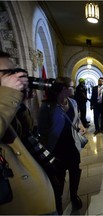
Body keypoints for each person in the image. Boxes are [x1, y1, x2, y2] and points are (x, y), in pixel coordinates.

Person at [0, 51, 57, 214]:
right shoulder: (4, 101)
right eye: (8, 73)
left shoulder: (5, 105)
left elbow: (24, 132)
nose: (15, 77)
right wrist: (9, 95)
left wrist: (19, 103)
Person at [38, 76, 86, 215]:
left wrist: (81, 126)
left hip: (73, 145)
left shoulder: (73, 102)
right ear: (63, 89)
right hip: (56, 149)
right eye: (71, 86)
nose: (73, 87)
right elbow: (42, 131)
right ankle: (57, 201)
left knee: (75, 171)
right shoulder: (47, 107)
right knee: (58, 177)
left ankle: (73, 195)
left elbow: (78, 119)